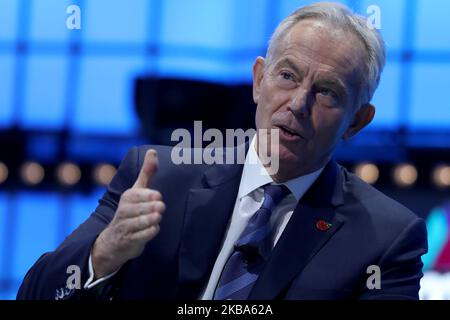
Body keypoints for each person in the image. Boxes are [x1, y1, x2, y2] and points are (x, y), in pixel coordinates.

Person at [17, 2, 428, 300]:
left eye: (327, 92)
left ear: (357, 121)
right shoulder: (159, 177)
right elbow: (36, 293)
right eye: (287, 76)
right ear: (258, 80)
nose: (298, 104)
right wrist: (104, 254)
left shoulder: (387, 238)